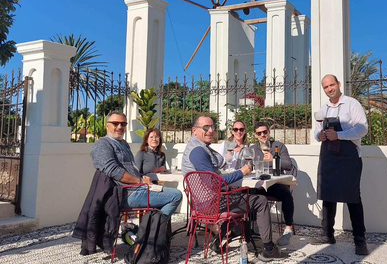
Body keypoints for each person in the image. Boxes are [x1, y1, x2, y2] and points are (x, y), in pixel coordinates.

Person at [181, 115, 286, 262]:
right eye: (206, 128)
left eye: (212, 127)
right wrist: (241, 173)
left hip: (205, 202)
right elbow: (216, 183)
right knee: (260, 201)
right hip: (211, 205)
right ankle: (269, 249)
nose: (211, 131)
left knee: (243, 198)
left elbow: (216, 173)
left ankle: (219, 240)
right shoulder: (198, 151)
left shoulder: (199, 148)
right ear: (194, 131)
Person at [310, 74, 369, 255]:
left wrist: (339, 135)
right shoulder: (323, 109)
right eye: (326, 87)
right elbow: (316, 131)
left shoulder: (352, 104)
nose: (329, 89)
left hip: (348, 157)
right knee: (328, 194)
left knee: (353, 197)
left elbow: (363, 128)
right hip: (328, 155)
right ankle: (327, 234)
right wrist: (318, 136)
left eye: (332, 85)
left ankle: (360, 240)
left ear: (338, 84)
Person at [91, 111, 182, 219]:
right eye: (115, 123)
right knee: (176, 195)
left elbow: (133, 169)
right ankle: (152, 230)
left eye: (123, 124)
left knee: (173, 194)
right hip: (127, 193)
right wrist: (141, 181)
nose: (120, 127)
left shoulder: (123, 144)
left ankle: (149, 229)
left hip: (139, 188)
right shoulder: (103, 144)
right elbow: (114, 171)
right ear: (107, 125)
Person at [251, 121, 295, 246]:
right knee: (247, 192)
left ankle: (288, 229)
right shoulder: (253, 149)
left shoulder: (278, 146)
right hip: (259, 182)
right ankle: (252, 226)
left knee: (286, 193)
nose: (262, 135)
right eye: (259, 133)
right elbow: (246, 165)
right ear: (255, 135)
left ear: (269, 132)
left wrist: (274, 159)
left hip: (275, 182)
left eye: (265, 132)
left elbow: (288, 165)